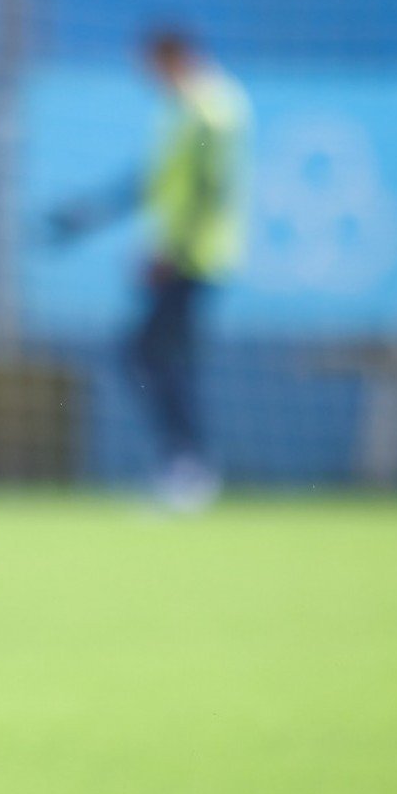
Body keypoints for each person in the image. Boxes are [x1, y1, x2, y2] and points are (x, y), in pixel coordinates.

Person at [130, 29, 246, 510]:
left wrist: (172, 251)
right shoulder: (192, 108)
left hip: (194, 258)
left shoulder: (208, 110)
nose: (150, 77)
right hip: (188, 254)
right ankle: (186, 462)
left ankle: (190, 465)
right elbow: (164, 181)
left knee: (154, 354)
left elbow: (207, 189)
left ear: (174, 56)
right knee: (156, 354)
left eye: (154, 64)